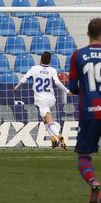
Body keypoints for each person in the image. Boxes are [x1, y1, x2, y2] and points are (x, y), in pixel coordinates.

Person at [69, 18, 101, 203]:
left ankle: (94, 182)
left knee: (84, 156)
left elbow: (73, 87)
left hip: (90, 111)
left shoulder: (78, 55)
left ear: (87, 34)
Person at [14, 51, 71, 150]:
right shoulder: (52, 70)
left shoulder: (34, 68)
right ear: (50, 60)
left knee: (48, 120)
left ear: (41, 59)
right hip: (52, 99)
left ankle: (59, 136)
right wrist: (67, 91)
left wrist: (16, 86)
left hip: (41, 100)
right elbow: (57, 82)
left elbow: (23, 79)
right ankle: (53, 139)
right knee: (45, 119)